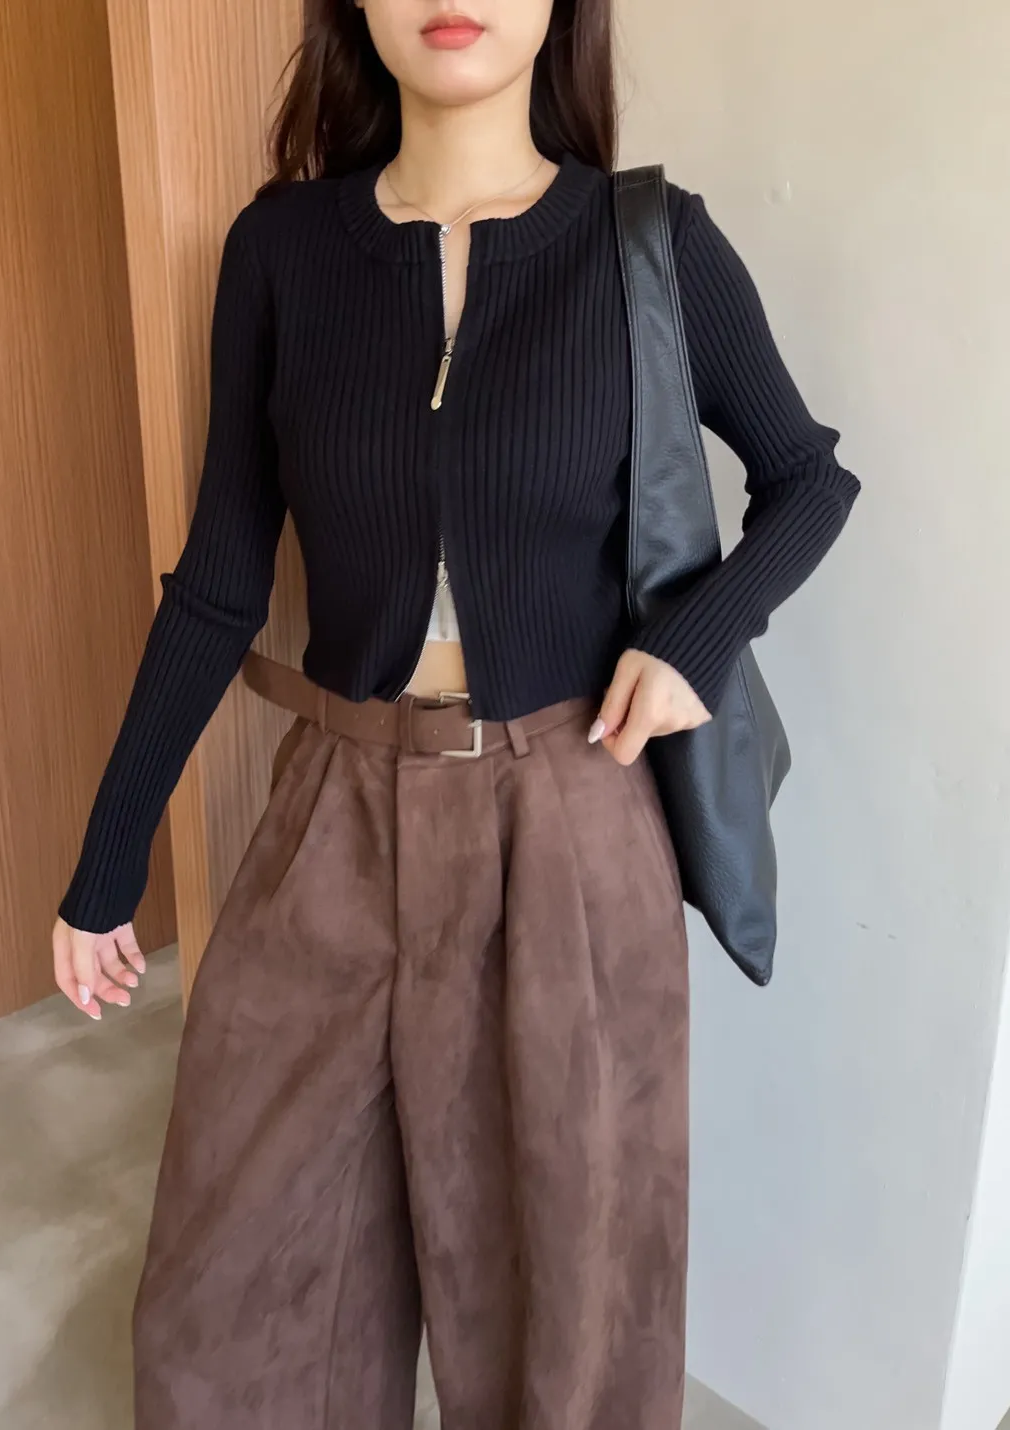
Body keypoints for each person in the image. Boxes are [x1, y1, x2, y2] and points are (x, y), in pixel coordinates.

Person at [52, 2, 860, 1426]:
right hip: (334, 819)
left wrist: (693, 640)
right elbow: (221, 580)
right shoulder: (282, 250)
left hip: (572, 821)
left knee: (568, 1306)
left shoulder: (647, 243)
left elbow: (808, 479)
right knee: (237, 1293)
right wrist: (107, 859)